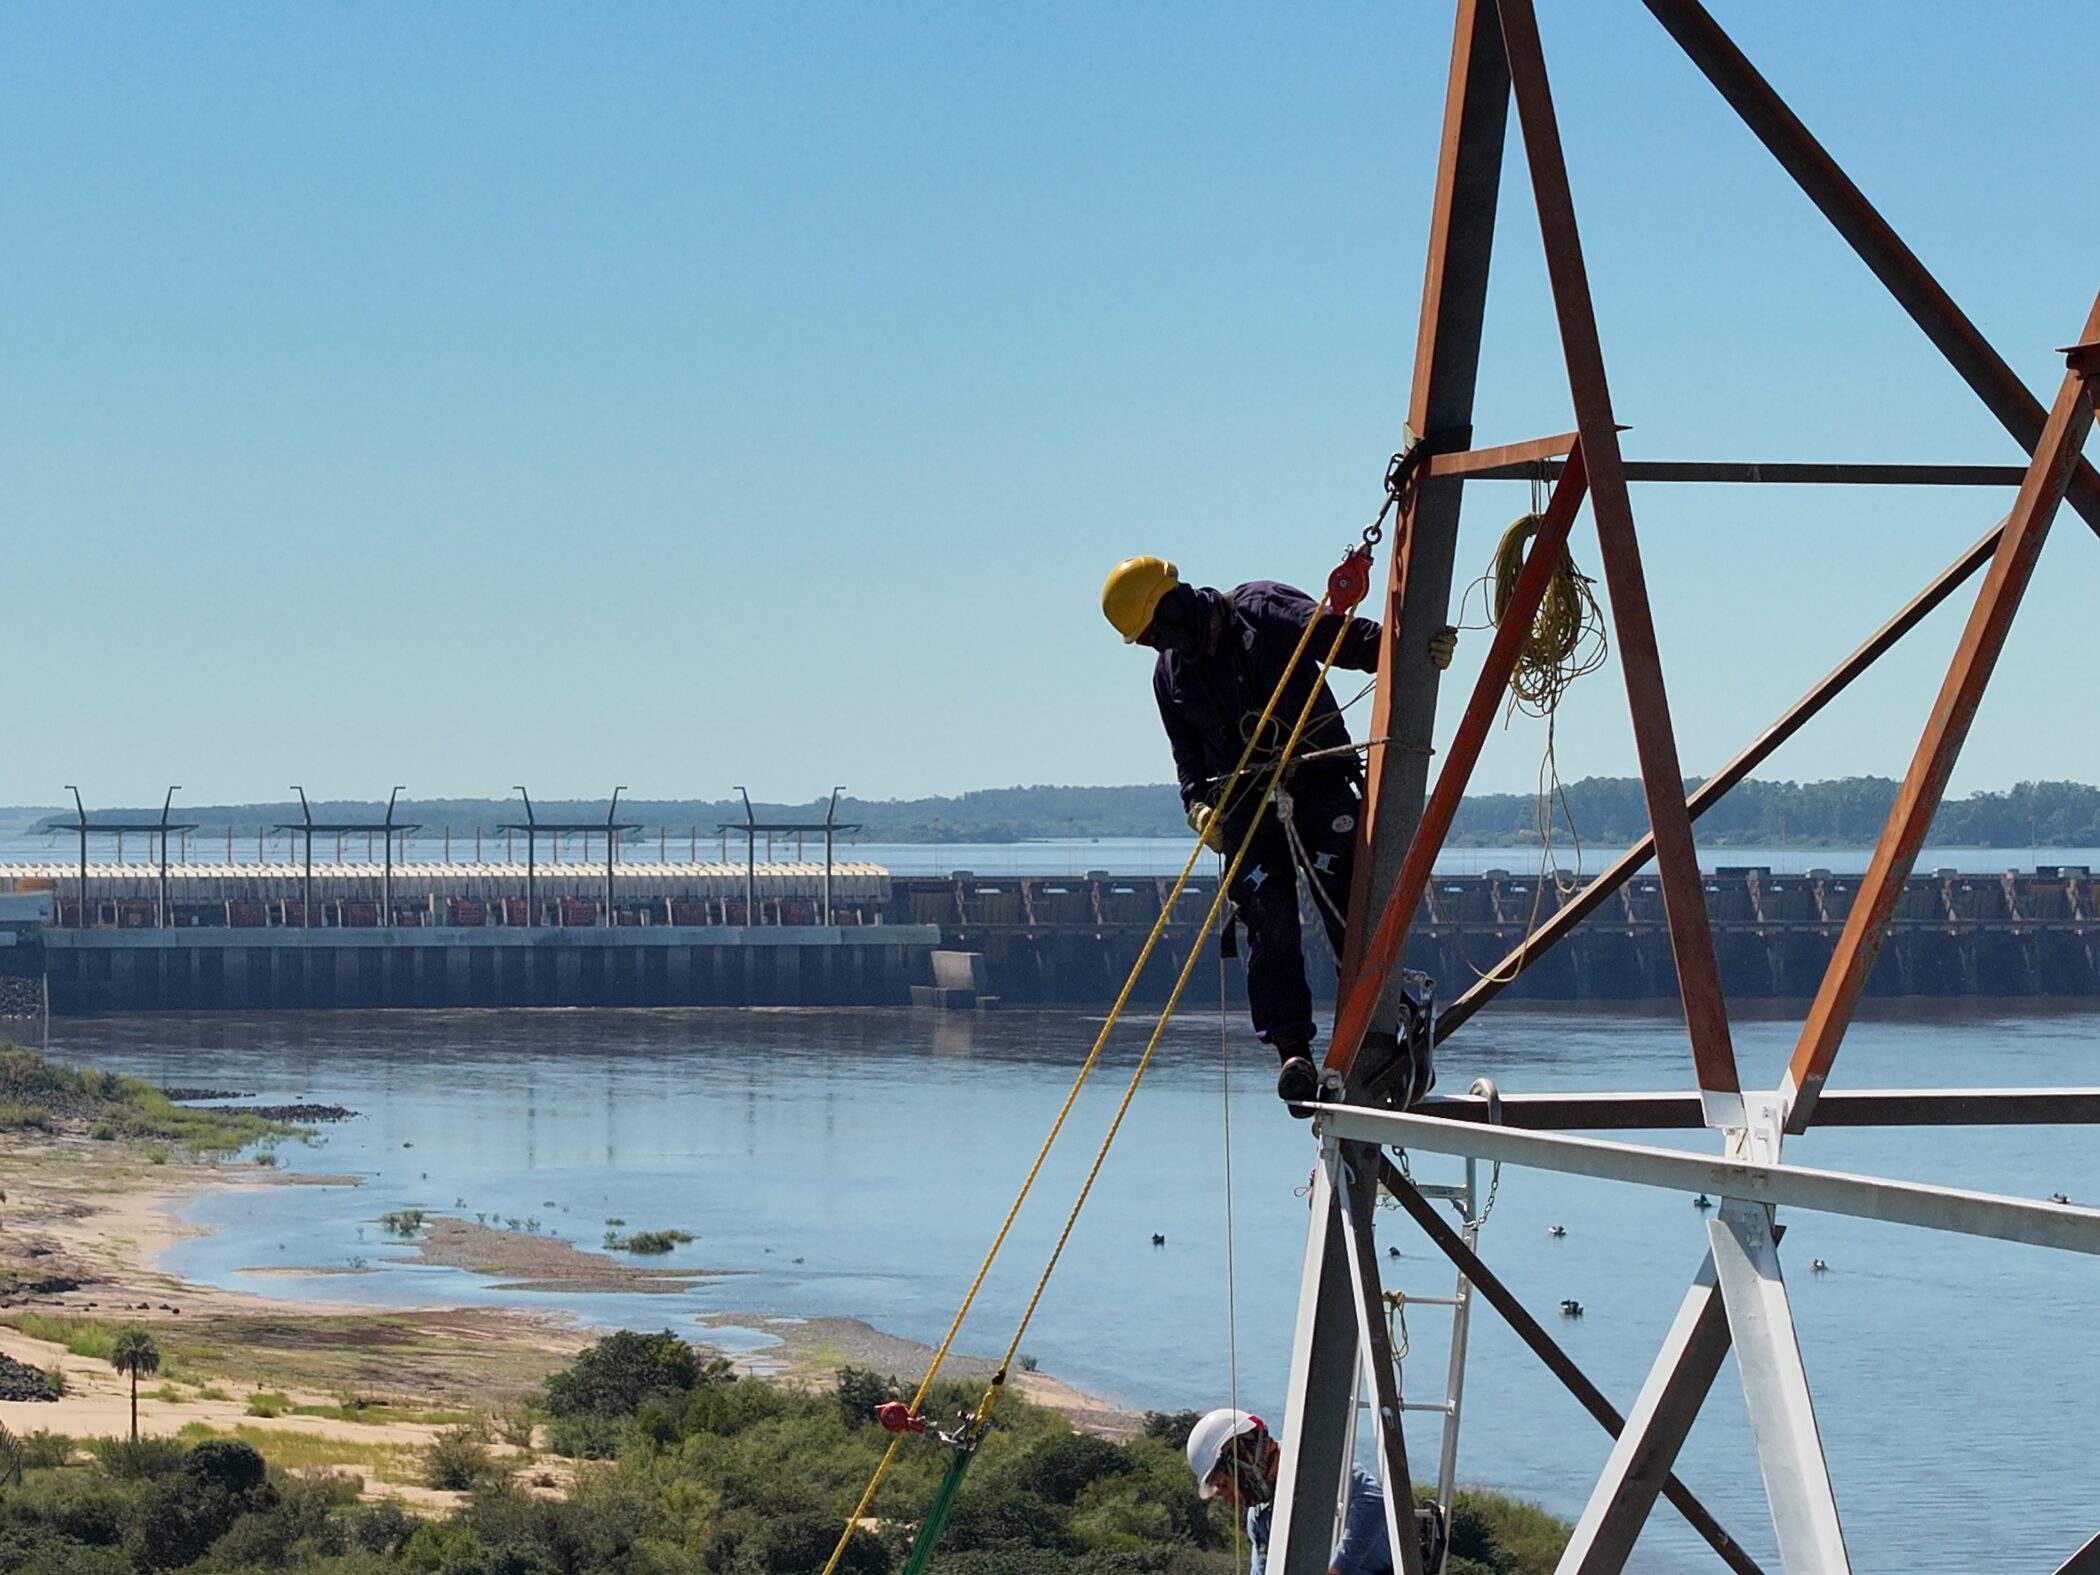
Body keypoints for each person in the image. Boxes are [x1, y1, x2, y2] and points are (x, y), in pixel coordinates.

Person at [1101, 556, 1452, 1109]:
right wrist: (1199, 810)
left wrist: (1415, 652)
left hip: (1318, 784)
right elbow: (1187, 763)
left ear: (1172, 604)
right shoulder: (1171, 675)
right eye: (1144, 641)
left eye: (1152, 633)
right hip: (1244, 809)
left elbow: (1348, 642)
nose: (1153, 645)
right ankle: (1294, 1054)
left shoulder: (1261, 610)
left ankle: (1385, 1021)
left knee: (1349, 910)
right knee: (1269, 927)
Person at [1185, 1407, 1396, 1575]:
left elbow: (1373, 1503)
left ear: (1243, 1455)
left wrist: (1336, 1570)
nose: (1230, 1499)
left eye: (1224, 1485)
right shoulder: (1261, 1519)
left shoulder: (1313, 1462)